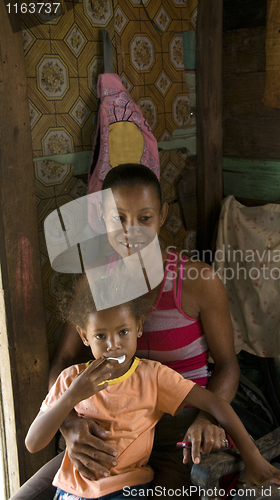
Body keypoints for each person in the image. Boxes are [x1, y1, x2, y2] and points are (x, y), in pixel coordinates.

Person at [11, 164, 240, 500]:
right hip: (106, 436)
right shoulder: (94, 283)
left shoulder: (197, 283)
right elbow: (63, 361)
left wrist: (207, 417)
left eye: (144, 218)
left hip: (178, 436)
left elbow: (227, 365)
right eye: (118, 218)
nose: (131, 232)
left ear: (162, 215)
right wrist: (71, 424)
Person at [25, 275, 280, 500]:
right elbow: (33, 443)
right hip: (70, 491)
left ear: (139, 327)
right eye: (100, 335)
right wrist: (70, 397)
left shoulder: (151, 376)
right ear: (84, 335)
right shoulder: (71, 379)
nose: (113, 345)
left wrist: (254, 459)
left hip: (126, 490)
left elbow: (216, 403)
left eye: (123, 332)